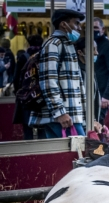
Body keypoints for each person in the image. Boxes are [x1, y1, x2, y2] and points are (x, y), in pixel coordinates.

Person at [29, 9, 86, 138]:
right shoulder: (53, 44)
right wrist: (59, 112)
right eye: (76, 23)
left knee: (67, 156)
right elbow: (48, 81)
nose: (79, 28)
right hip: (62, 116)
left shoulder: (67, 45)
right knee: (80, 153)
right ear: (63, 24)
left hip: (68, 115)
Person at [12, 35, 43, 140]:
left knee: (27, 127)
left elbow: (16, 78)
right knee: (42, 127)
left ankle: (29, 147)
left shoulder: (24, 57)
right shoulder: (44, 55)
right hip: (41, 97)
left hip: (27, 98)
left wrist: (19, 94)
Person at [74, 37, 101, 125]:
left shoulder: (89, 69)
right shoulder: (78, 71)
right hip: (83, 122)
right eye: (92, 49)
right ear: (80, 52)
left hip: (91, 120)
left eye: (96, 49)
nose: (96, 53)